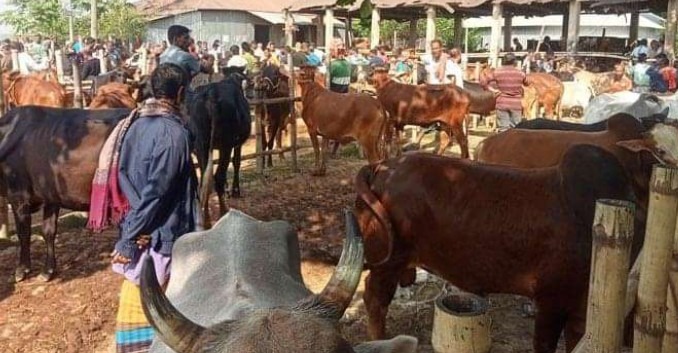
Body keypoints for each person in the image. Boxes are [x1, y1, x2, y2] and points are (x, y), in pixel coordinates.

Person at [94, 63, 199, 353]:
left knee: (139, 306)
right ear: (179, 93)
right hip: (161, 234)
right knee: (164, 312)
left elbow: (126, 178)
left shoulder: (135, 124)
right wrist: (130, 237)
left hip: (140, 226)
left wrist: (131, 227)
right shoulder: (174, 135)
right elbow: (157, 193)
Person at [480, 53, 527, 132]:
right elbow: (527, 83)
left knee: (503, 129)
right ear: (514, 61)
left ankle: (504, 143)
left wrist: (492, 90)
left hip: (501, 103)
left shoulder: (497, 72)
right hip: (516, 104)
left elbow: (483, 82)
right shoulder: (520, 73)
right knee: (516, 129)